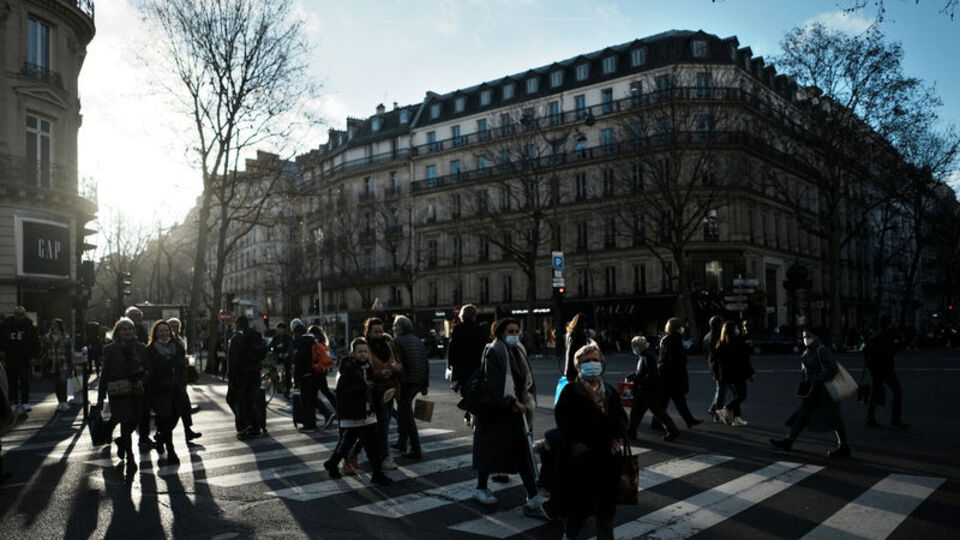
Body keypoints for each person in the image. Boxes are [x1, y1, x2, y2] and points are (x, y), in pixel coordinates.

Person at [553, 343, 628, 539]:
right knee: (578, 509)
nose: (592, 364)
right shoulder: (570, 392)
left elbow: (621, 419)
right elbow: (564, 424)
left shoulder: (610, 391)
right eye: (587, 361)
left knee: (606, 512)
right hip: (582, 462)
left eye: (595, 360)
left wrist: (617, 436)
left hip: (608, 460)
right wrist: (579, 447)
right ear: (578, 366)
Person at [471, 318, 545, 516]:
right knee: (490, 449)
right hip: (497, 410)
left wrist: (525, 400)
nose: (514, 334)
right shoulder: (494, 351)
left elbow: (527, 378)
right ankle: (481, 488)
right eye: (510, 331)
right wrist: (511, 402)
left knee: (521, 451)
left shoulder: (518, 349)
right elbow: (495, 382)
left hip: (515, 409)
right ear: (501, 333)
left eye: (516, 331)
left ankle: (532, 494)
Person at [770, 327, 851, 458]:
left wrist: (815, 378)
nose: (805, 339)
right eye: (803, 336)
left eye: (808, 336)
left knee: (834, 419)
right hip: (813, 391)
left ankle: (844, 446)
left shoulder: (821, 350)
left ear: (816, 337)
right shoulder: (809, 351)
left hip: (825, 391)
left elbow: (832, 369)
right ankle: (789, 441)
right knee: (802, 415)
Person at [323, 337, 392, 486]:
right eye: (359, 351)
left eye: (365, 351)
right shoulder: (347, 368)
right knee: (347, 443)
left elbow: (373, 387)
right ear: (352, 353)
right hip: (353, 413)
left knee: (371, 445)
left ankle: (377, 474)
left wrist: (381, 390)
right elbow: (343, 392)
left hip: (367, 413)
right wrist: (363, 387)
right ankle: (333, 463)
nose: (363, 354)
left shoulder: (368, 367)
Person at [97, 318, 147, 473]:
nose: (127, 332)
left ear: (134, 331)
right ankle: (130, 457)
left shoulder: (141, 347)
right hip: (118, 391)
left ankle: (121, 441)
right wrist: (100, 397)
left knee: (135, 421)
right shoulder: (110, 349)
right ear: (117, 331)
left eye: (130, 329)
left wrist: (142, 381)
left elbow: (148, 369)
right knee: (126, 422)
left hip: (137, 390)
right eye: (123, 329)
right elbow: (104, 373)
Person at [145, 320, 189, 464]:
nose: (164, 333)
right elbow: (149, 369)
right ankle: (171, 450)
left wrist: (182, 381)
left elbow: (183, 365)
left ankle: (161, 438)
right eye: (160, 331)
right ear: (156, 333)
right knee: (165, 418)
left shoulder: (177, 346)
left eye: (166, 330)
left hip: (176, 388)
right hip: (160, 390)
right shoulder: (151, 349)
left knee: (175, 417)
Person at [365, 317, 403, 471]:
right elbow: (364, 369)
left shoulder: (388, 344)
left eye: (381, 331)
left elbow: (400, 364)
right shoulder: (365, 346)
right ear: (369, 331)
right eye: (376, 331)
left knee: (383, 424)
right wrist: (381, 373)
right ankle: (383, 457)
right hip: (374, 391)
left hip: (389, 390)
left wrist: (396, 368)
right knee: (380, 425)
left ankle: (380, 455)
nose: (379, 334)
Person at [626, 336, 679, 441]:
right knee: (642, 412)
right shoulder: (646, 355)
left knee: (648, 412)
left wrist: (636, 379)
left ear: (638, 346)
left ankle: (673, 431)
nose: (633, 348)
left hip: (647, 390)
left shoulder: (646, 356)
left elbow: (650, 374)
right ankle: (631, 432)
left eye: (634, 346)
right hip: (648, 389)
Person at [391, 316, 429, 460]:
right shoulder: (417, 340)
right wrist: (425, 384)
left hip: (406, 382)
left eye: (395, 326)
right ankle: (401, 442)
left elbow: (399, 363)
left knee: (406, 414)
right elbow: (425, 363)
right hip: (418, 381)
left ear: (399, 327)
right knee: (402, 411)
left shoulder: (398, 341)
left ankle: (415, 448)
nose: (394, 328)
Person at [656, 317, 702, 430]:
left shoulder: (665, 339)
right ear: (677, 328)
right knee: (676, 401)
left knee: (669, 401)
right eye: (680, 326)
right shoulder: (675, 340)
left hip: (666, 375)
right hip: (674, 376)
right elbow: (675, 359)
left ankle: (689, 420)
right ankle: (688, 420)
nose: (683, 328)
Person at [227, 316, 267, 439]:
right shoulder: (256, 336)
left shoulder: (236, 339)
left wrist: (231, 376)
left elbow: (233, 359)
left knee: (236, 400)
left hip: (241, 374)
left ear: (237, 324)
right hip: (255, 373)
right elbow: (263, 352)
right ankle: (255, 426)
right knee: (252, 400)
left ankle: (243, 425)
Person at [864, 315, 907, 428]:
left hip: (877, 369)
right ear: (888, 324)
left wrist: (870, 366)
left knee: (875, 393)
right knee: (897, 392)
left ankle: (870, 417)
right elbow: (894, 348)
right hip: (886, 368)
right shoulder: (888, 335)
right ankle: (895, 418)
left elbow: (867, 351)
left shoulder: (876, 336)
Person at [448, 304, 486, 423]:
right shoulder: (480, 329)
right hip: (476, 366)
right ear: (474, 315)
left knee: (466, 391)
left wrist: (450, 366)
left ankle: (470, 411)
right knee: (475, 391)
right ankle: (471, 412)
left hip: (462, 367)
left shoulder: (457, 329)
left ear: (462, 316)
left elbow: (452, 350)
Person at [713, 321, 755, 426]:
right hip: (738, 374)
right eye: (736, 328)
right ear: (734, 330)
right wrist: (751, 373)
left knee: (736, 395)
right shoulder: (738, 342)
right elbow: (745, 359)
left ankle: (737, 418)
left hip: (727, 375)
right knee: (742, 395)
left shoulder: (720, 343)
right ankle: (725, 410)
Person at [0, 306, 40, 414]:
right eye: (17, 314)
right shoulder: (6, 326)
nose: (19, 316)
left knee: (24, 380)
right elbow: (1, 339)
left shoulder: (30, 327)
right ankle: (13, 402)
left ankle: (25, 402)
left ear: (24, 314)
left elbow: (35, 342)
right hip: (11, 356)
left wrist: (34, 357)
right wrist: (2, 351)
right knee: (11, 380)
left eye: (21, 314)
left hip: (24, 358)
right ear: (14, 314)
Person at [167, 318, 201, 442]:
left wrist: (185, 360)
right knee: (177, 410)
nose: (175, 328)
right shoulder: (168, 341)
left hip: (181, 379)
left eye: (177, 326)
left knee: (185, 407)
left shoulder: (180, 340)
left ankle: (188, 431)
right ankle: (164, 434)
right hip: (172, 380)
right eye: (172, 326)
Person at [308, 325, 338, 425]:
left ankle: (327, 414)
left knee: (313, 395)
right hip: (323, 370)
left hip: (316, 371)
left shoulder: (314, 341)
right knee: (326, 391)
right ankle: (339, 410)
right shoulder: (323, 341)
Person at [41, 318, 73, 412]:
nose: (54, 327)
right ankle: (60, 402)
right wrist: (45, 359)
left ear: (60, 327)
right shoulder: (47, 337)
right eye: (53, 325)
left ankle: (64, 402)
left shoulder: (65, 337)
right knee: (57, 384)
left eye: (56, 325)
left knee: (63, 383)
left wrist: (71, 363)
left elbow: (69, 352)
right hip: (52, 363)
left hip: (63, 363)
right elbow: (44, 350)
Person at [702, 315, 725, 423]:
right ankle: (716, 411)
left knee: (720, 388)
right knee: (722, 389)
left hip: (712, 365)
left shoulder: (706, 337)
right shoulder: (719, 336)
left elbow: (706, 353)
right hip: (720, 366)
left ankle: (714, 409)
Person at [268, 322, 293, 401]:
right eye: (277, 329)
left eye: (280, 329)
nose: (278, 330)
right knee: (270, 365)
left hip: (285, 357)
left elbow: (290, 347)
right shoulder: (275, 338)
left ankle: (287, 390)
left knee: (287, 370)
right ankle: (275, 380)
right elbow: (270, 346)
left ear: (284, 330)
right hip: (277, 356)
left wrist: (287, 353)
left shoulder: (288, 338)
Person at [563, 313, 589, 382]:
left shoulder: (569, 334)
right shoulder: (578, 336)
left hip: (570, 368)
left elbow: (568, 352)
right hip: (577, 368)